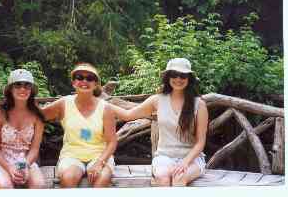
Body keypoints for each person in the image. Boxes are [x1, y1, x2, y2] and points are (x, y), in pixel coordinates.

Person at [114, 58, 208, 186]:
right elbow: (128, 115)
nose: (178, 79)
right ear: (168, 77)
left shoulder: (199, 105)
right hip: (164, 157)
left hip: (192, 158)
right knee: (163, 177)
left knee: (179, 178)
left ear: (189, 78)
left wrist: (185, 162)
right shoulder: (157, 100)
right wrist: (103, 104)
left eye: (183, 75)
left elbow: (200, 142)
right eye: (174, 74)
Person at [41, 63, 117, 188]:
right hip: (71, 155)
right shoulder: (64, 103)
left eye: (90, 78)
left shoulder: (105, 108)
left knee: (101, 179)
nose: (84, 81)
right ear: (73, 82)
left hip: (99, 155)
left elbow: (112, 142)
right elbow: (39, 116)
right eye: (79, 77)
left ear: (96, 83)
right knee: (68, 178)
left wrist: (99, 162)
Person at [0, 69, 45, 189]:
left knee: (39, 186)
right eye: (18, 85)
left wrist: (25, 166)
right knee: (6, 186)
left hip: (25, 161)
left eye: (27, 85)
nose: (23, 89)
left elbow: (34, 148)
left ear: (31, 90)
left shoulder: (38, 116)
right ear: (10, 89)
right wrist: (9, 168)